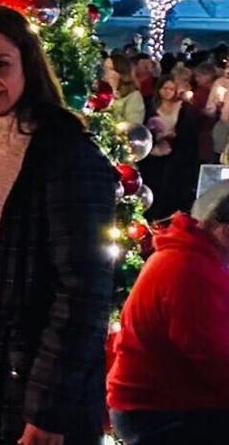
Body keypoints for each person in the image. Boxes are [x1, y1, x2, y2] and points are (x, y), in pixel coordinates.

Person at [0, 5, 117, 445]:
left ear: (26, 67)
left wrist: (49, 410)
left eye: (1, 64)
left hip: (26, 398)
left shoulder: (63, 155)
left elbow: (83, 292)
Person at [107, 185, 229, 442]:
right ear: (225, 232)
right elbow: (213, 360)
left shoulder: (195, 255)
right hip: (158, 411)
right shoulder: (190, 269)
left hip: (166, 401)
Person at [139, 75, 199, 221]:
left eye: (171, 89)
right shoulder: (149, 106)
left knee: (168, 191)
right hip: (151, 157)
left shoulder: (184, 110)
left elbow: (189, 136)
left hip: (174, 159)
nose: (167, 92)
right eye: (164, 88)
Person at [104, 52, 145, 125]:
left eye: (110, 69)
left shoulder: (134, 96)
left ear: (121, 72)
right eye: (104, 68)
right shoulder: (100, 91)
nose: (105, 72)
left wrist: (109, 112)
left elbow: (133, 125)